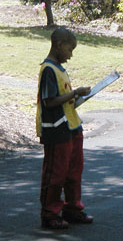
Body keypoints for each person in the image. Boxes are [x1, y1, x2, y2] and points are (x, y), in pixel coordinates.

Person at [36, 27, 93, 229]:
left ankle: (72, 209)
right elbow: (50, 101)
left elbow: (63, 99)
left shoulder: (60, 69)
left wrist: (76, 97)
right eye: (70, 49)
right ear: (59, 45)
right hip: (56, 129)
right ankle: (50, 214)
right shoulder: (48, 70)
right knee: (56, 173)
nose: (71, 55)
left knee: (73, 172)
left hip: (72, 126)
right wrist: (74, 92)